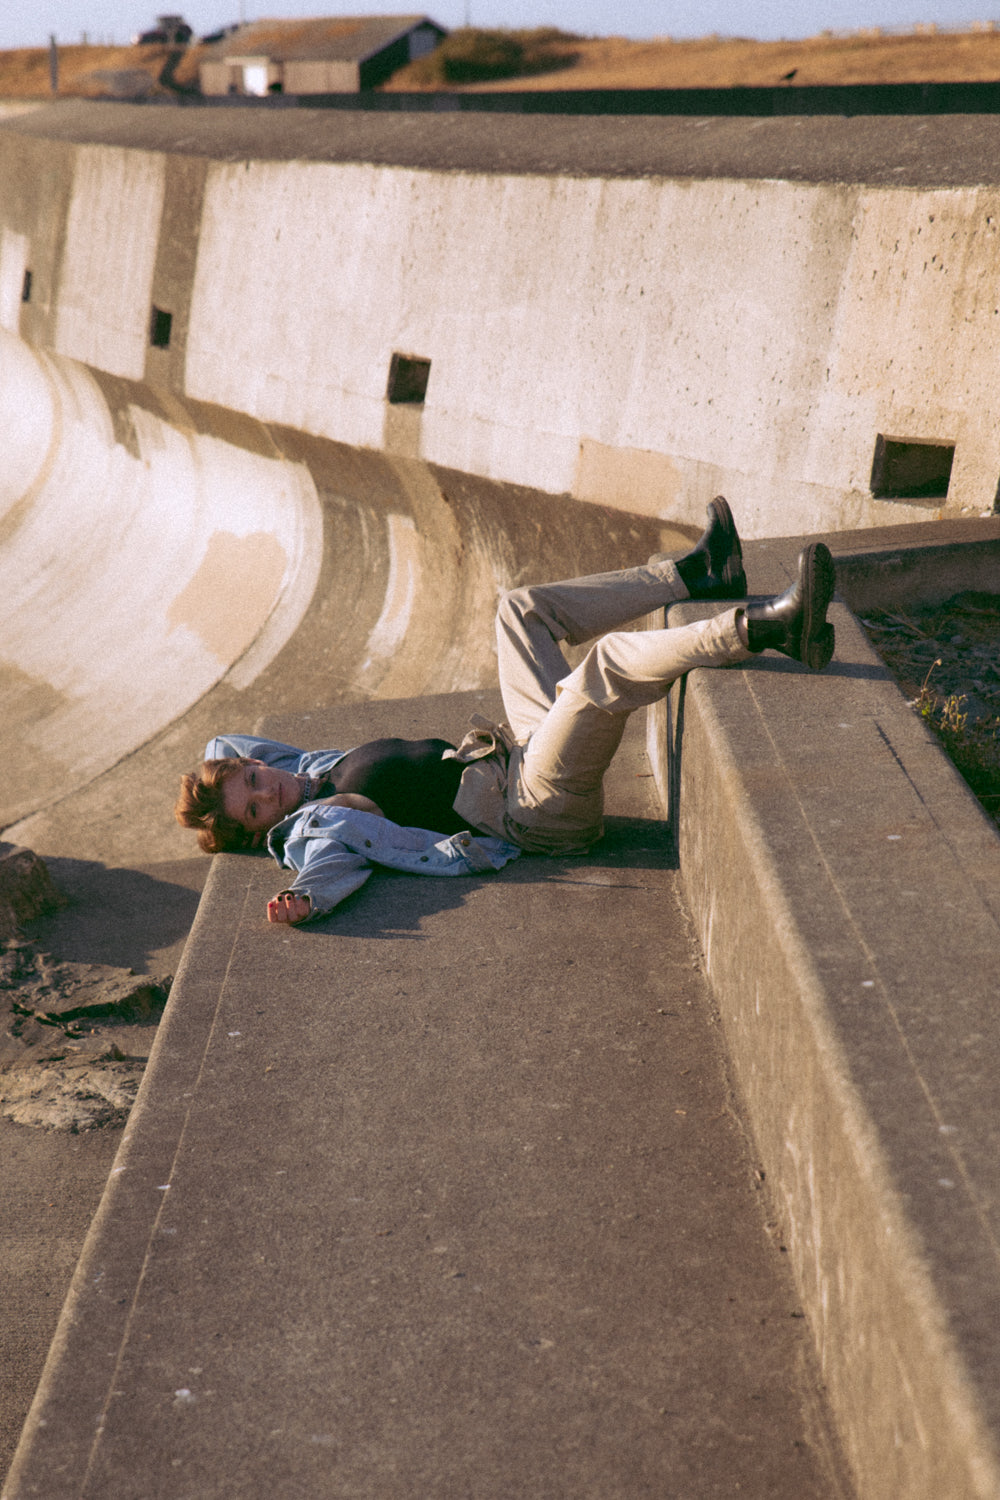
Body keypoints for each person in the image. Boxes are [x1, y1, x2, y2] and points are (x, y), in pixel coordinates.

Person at [175, 501, 836, 926]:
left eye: (255, 779)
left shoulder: (308, 770)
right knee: (600, 672)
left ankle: (698, 574)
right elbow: (329, 863)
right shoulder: (318, 823)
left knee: (518, 610)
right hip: (534, 811)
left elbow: (225, 741)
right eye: (256, 809)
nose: (271, 792)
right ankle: (764, 629)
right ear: (261, 831)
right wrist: (305, 899)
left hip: (519, 748)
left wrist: (216, 784)